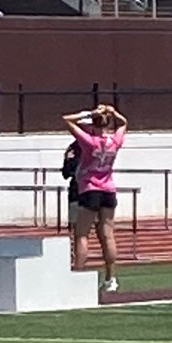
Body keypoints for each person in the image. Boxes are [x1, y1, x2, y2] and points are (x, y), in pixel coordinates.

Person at [61, 104, 128, 291]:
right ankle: (111, 278)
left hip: (90, 189)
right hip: (108, 188)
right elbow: (124, 124)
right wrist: (112, 112)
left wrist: (90, 113)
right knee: (107, 235)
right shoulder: (115, 141)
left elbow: (67, 120)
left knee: (82, 234)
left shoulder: (90, 142)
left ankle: (78, 276)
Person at [61, 136, 80, 261]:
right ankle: (75, 254)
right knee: (75, 226)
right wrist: (68, 160)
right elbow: (66, 174)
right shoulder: (73, 147)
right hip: (76, 192)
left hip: (92, 191)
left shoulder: (96, 144)